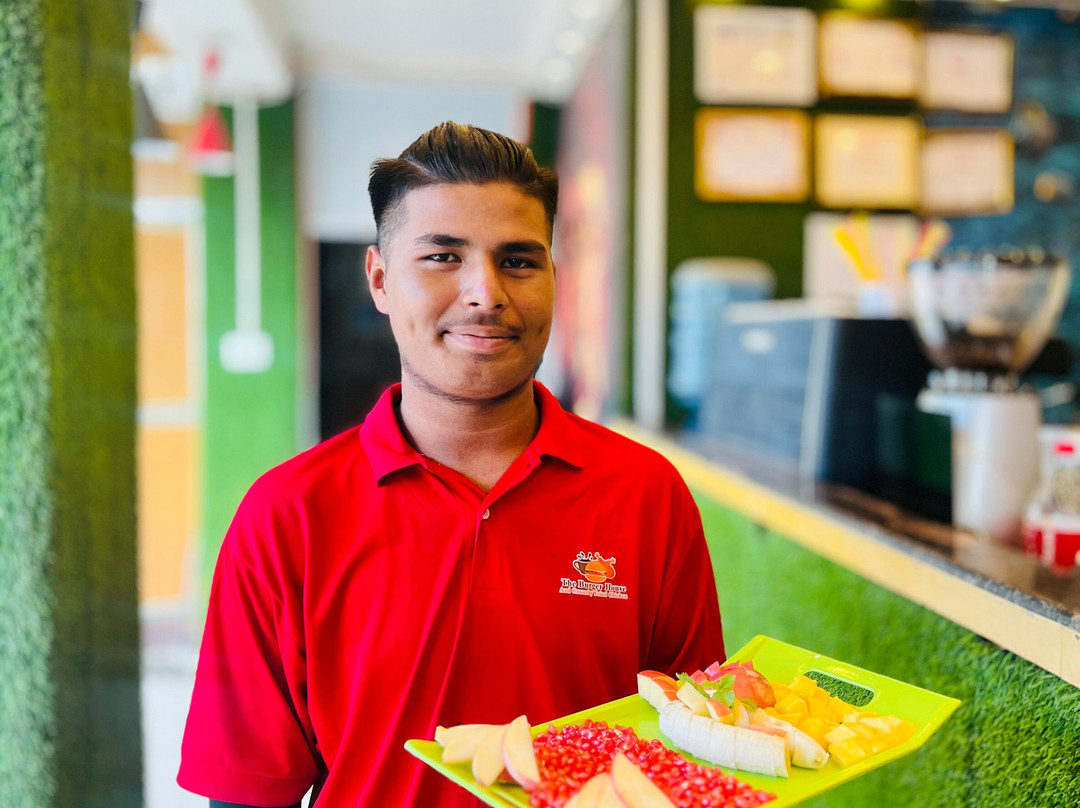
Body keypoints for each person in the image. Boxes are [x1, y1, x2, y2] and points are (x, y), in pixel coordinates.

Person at [178, 122, 724, 808]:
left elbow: (694, 743)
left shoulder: (646, 492)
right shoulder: (287, 513)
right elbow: (249, 791)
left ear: (554, 279)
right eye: (442, 257)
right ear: (381, 280)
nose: (485, 293)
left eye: (518, 261)